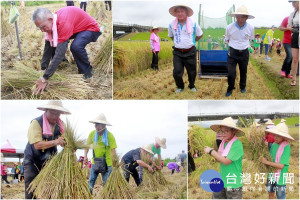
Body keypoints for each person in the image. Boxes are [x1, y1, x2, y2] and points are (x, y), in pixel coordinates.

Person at [32, 6, 103, 95]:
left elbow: (60, 52)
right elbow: (48, 46)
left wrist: (45, 78)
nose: (42, 31)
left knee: (76, 47)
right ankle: (63, 63)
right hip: (76, 28)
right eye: (39, 28)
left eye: (43, 27)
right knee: (54, 40)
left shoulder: (63, 22)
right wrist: (44, 68)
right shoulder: (53, 22)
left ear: (50, 19)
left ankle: (87, 72)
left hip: (90, 29)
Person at [24, 100, 70, 199]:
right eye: (52, 113)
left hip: (50, 161)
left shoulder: (61, 125)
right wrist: (56, 142)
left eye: (57, 114)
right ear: (46, 110)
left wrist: (69, 146)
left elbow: (64, 140)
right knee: (31, 189)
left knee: (50, 188)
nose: (54, 116)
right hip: (33, 160)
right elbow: (37, 145)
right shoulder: (36, 123)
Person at [204, 117, 244, 199]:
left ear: (234, 131)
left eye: (226, 131)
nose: (223, 133)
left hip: (233, 183)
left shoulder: (237, 145)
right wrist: (212, 155)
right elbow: (220, 159)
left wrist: (212, 151)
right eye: (221, 131)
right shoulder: (223, 143)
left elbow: (226, 161)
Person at [168, 5, 203, 93]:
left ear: (186, 13)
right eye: (178, 12)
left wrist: (193, 41)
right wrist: (178, 43)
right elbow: (171, 36)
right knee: (177, 71)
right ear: (175, 13)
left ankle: (191, 85)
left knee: (192, 71)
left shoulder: (193, 23)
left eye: (182, 11)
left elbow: (200, 34)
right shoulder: (171, 24)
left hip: (190, 51)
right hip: (177, 52)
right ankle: (180, 86)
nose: (180, 13)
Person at [225, 5, 255, 97]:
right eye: (238, 16)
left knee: (243, 71)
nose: (240, 19)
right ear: (235, 17)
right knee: (231, 73)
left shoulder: (250, 28)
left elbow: (250, 39)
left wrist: (246, 46)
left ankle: (242, 87)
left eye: (242, 16)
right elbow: (227, 39)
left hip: (244, 53)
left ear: (246, 18)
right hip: (233, 53)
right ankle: (230, 88)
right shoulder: (229, 27)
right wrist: (232, 47)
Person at [84, 113, 117, 194]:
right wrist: (85, 156)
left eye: (98, 124)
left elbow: (113, 151)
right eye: (95, 124)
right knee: (91, 180)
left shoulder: (110, 136)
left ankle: (106, 196)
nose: (96, 126)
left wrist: (115, 163)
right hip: (95, 162)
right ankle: (88, 196)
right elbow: (87, 146)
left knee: (106, 183)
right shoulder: (92, 134)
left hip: (107, 163)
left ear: (104, 125)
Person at [261, 122, 294, 199]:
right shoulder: (273, 145)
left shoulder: (286, 147)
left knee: (280, 196)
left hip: (280, 178)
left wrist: (266, 162)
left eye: (278, 136)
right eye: (275, 135)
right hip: (271, 175)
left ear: (284, 136)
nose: (275, 137)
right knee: (270, 193)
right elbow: (270, 157)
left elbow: (281, 165)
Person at [288, 0, 299, 86]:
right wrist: (290, 28)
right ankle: (294, 79)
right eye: (292, 3)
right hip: (295, 35)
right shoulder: (292, 14)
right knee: (295, 59)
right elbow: (289, 25)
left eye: (295, 2)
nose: (293, 4)